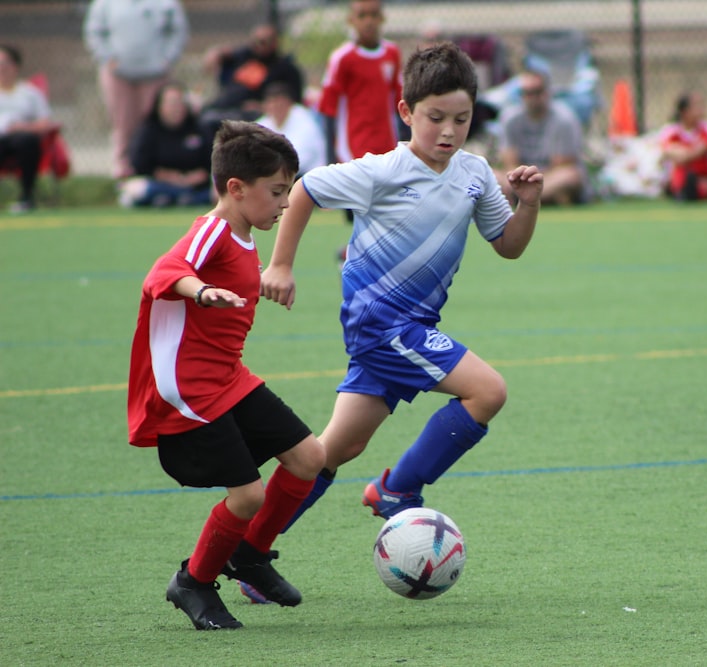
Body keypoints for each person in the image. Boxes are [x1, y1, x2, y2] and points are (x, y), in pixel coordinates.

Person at [247, 42, 542, 602]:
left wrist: (527, 204)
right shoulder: (383, 171)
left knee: (327, 453)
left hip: (407, 328)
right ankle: (397, 490)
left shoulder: (476, 174)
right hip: (383, 325)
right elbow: (307, 188)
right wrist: (280, 264)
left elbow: (507, 246)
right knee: (488, 391)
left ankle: (250, 550)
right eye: (435, 118)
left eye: (461, 118)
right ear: (407, 112)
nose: (448, 131)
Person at [126, 120, 326, 630]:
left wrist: (258, 285)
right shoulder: (213, 228)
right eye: (278, 192)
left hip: (227, 377)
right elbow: (162, 274)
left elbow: (227, 274)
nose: (285, 205)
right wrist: (199, 291)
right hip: (189, 390)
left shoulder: (242, 233)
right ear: (236, 189)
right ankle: (193, 582)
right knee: (249, 495)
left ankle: (250, 555)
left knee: (309, 458)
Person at [83, 0, 188, 180]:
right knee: (123, 122)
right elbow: (94, 32)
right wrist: (107, 58)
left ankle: (151, 168)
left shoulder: (165, 4)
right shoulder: (104, 4)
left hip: (154, 72)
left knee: (151, 120)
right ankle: (123, 170)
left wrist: (167, 58)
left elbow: (178, 31)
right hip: (118, 73)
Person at [318, 0, 402, 166]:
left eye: (374, 15)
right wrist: (330, 156)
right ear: (351, 20)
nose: (368, 21)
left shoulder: (392, 53)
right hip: (352, 149)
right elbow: (328, 109)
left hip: (387, 146)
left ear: (382, 18)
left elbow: (398, 101)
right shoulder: (342, 58)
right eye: (362, 15)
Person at [493, 67, 587, 206]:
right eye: (527, 93)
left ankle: (527, 197)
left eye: (536, 92)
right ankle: (532, 197)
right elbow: (509, 161)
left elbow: (561, 164)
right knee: (490, 174)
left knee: (570, 176)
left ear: (547, 92)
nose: (532, 98)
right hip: (520, 178)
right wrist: (520, 180)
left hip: (549, 178)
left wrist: (533, 181)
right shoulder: (510, 119)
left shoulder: (564, 119)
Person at [118, 81, 213, 208]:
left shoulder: (198, 128)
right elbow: (139, 164)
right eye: (171, 103)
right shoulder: (148, 130)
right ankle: (173, 198)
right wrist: (166, 176)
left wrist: (197, 176)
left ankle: (177, 199)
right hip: (159, 184)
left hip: (195, 186)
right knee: (137, 188)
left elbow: (212, 162)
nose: (176, 108)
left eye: (179, 103)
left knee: (214, 194)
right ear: (160, 106)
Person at [200, 23, 305, 135]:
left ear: (275, 43)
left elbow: (294, 102)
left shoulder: (284, 68)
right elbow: (210, 64)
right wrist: (216, 53)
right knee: (206, 118)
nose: (259, 46)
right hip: (227, 107)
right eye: (255, 41)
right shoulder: (243, 57)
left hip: (254, 115)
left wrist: (263, 106)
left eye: (264, 42)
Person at [0, 44, 61, 213]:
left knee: (27, 143)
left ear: (16, 67)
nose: (1, 68)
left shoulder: (30, 93)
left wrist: (21, 127)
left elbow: (44, 123)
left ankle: (26, 197)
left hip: (22, 138)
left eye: (5, 63)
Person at [659, 91, 707, 201]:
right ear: (685, 111)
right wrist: (688, 153)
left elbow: (696, 152)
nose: (701, 110)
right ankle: (684, 188)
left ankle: (688, 190)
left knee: (703, 185)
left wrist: (682, 153)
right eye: (697, 106)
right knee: (680, 172)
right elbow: (668, 151)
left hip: (705, 177)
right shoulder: (670, 131)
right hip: (678, 176)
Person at [255, 81, 327, 176]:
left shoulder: (305, 120)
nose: (275, 108)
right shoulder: (263, 123)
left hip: (307, 177)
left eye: (279, 103)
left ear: (288, 103)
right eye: (271, 103)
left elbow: (300, 160)